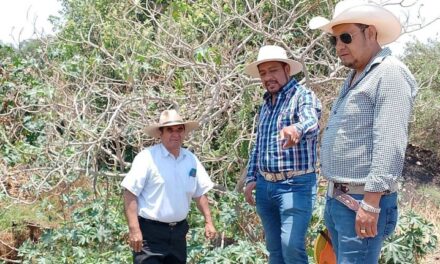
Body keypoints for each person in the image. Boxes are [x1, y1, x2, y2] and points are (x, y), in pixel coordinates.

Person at [309, 0, 418, 263]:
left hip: (362, 202)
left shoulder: (389, 74)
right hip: (340, 199)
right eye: (334, 40)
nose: (339, 46)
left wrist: (370, 203)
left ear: (370, 32)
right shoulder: (357, 76)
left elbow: (390, 141)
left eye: (346, 37)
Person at [243, 45, 322, 263]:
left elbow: (312, 122)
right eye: (263, 73)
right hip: (265, 186)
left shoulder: (303, 96)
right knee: (274, 251)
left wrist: (297, 129)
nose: (268, 77)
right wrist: (252, 177)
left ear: (287, 69)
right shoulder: (266, 104)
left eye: (273, 70)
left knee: (291, 247)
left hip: (295, 185)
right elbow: (259, 144)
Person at [121, 109, 216, 264]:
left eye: (179, 129)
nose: (175, 134)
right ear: (160, 133)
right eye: (170, 130)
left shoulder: (190, 159)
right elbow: (130, 193)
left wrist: (208, 221)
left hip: (178, 235)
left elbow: (200, 193)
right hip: (150, 236)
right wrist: (134, 229)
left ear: (184, 133)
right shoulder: (147, 158)